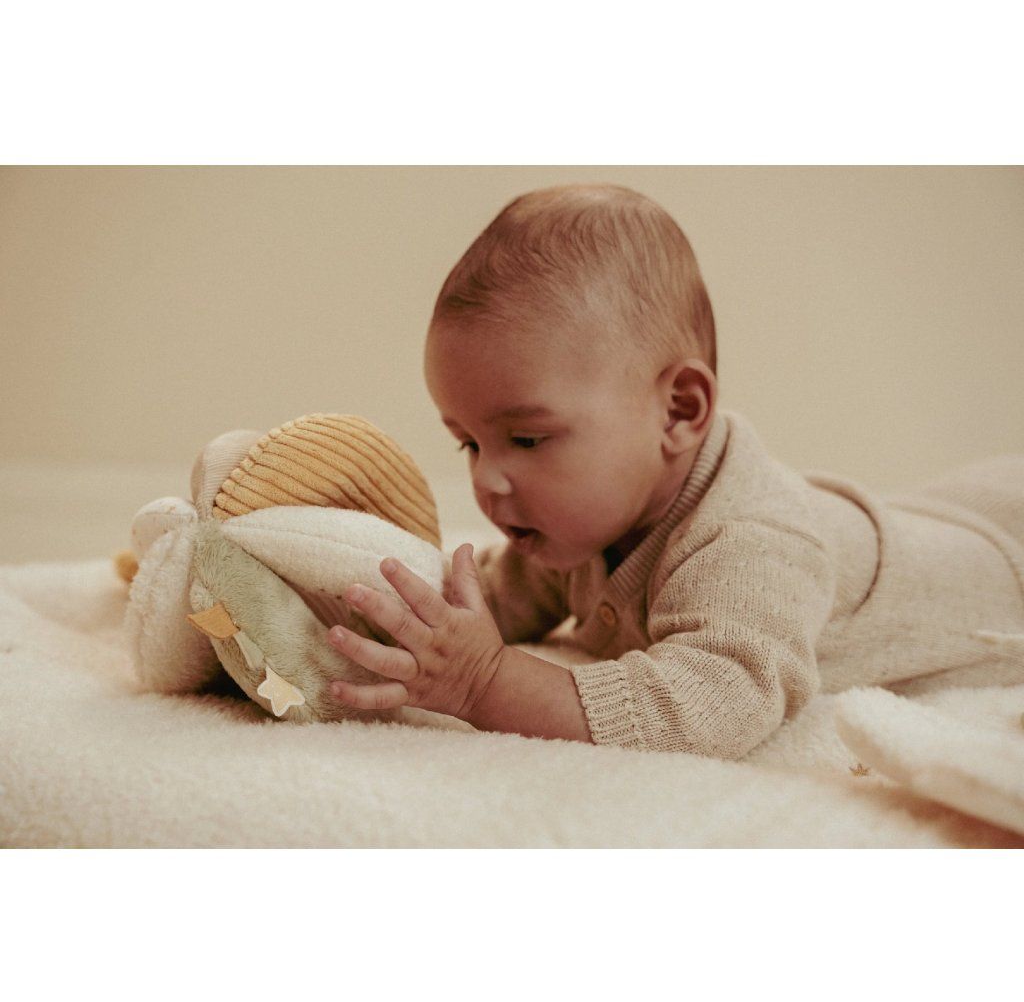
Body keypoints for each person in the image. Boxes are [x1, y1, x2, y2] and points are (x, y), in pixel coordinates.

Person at [324, 183, 1024, 758]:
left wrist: (485, 680)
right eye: (469, 445)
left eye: (528, 439)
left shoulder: (750, 545)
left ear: (679, 410)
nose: (488, 480)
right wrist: (374, 615)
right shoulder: (576, 525)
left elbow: (715, 702)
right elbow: (498, 598)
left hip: (998, 567)